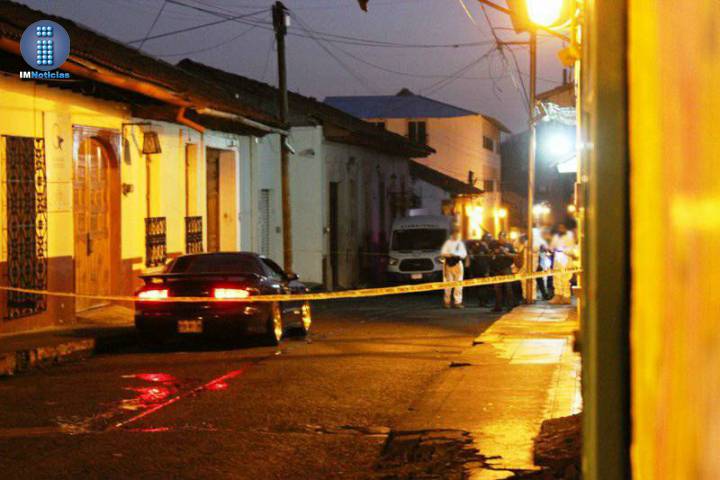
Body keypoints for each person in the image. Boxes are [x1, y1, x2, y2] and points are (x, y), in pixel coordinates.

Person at [549, 223, 577, 304]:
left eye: (562, 227)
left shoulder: (570, 235)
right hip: (557, 259)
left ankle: (566, 297)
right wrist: (552, 249)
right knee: (557, 277)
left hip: (566, 259)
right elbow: (551, 247)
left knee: (566, 278)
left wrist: (563, 250)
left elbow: (572, 248)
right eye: (559, 227)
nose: (561, 229)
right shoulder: (556, 237)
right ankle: (558, 295)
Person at [440, 228, 467, 308]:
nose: (456, 236)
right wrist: (451, 254)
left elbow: (464, 254)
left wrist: (456, 255)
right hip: (448, 264)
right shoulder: (448, 243)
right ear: (452, 235)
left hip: (457, 264)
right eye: (455, 234)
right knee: (448, 284)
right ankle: (447, 302)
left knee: (459, 284)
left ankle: (457, 302)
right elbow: (443, 253)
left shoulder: (460, 243)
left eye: (457, 234)